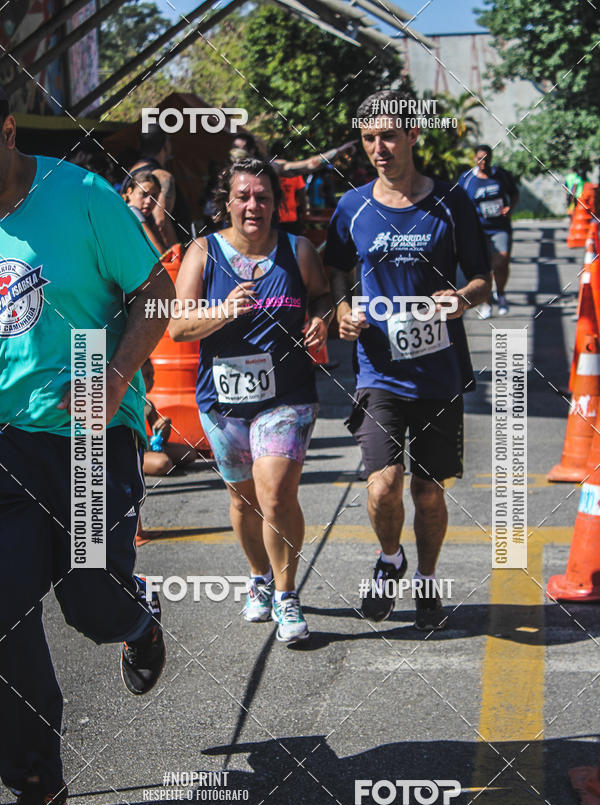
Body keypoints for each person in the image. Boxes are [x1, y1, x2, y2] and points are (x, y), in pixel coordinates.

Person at [0, 89, 174, 805]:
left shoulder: (79, 195)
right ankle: (37, 780)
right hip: (9, 441)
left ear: (6, 129)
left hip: (92, 432)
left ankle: (136, 621)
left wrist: (111, 378)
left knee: (89, 601)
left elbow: (157, 295)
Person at [325, 89, 491, 631]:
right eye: (370, 138)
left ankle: (425, 579)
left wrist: (461, 299)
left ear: (413, 135)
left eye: (389, 136)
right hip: (379, 371)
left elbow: (483, 279)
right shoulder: (352, 207)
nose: (379, 147)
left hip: (438, 369)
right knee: (382, 486)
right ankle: (390, 557)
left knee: (429, 492)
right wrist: (343, 310)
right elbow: (335, 273)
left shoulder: (451, 202)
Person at [171, 158, 333, 643]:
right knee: (242, 501)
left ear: (276, 202)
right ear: (228, 202)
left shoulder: (298, 250)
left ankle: (287, 596)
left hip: (288, 396)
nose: (253, 206)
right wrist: (222, 311)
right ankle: (259, 579)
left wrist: (321, 319)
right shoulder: (204, 251)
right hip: (222, 400)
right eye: (243, 196)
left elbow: (322, 296)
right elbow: (178, 326)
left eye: (263, 197)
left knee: (276, 492)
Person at [458, 143, 519, 318]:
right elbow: (459, 203)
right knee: (484, 267)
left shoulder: (501, 176)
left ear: (490, 159)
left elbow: (514, 194)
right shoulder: (467, 179)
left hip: (500, 226)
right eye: (479, 159)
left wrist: (510, 208)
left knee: (501, 263)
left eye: (486, 159)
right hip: (478, 230)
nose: (482, 162)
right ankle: (486, 303)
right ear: (474, 159)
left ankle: (500, 293)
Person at [141, 358, 199, 475]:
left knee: (190, 453)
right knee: (163, 464)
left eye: (153, 376)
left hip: (148, 447)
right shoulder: (124, 404)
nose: (152, 381)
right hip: (133, 450)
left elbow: (160, 441)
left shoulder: (148, 404)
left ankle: (148, 461)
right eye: (147, 376)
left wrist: (165, 428)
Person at [230, 132, 357, 176]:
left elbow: (308, 165)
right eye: (234, 148)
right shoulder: (226, 174)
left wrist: (338, 151)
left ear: (252, 151)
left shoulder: (269, 168)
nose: (237, 154)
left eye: (242, 149)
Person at [123, 172, 168, 255]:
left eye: (154, 196)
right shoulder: (133, 211)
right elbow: (160, 253)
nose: (149, 201)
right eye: (144, 194)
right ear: (129, 192)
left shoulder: (147, 217)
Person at [270, 141, 307, 235]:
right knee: (292, 246)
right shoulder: (293, 173)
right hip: (291, 218)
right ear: (284, 154)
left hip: (272, 218)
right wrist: (304, 214)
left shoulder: (267, 172)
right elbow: (302, 196)